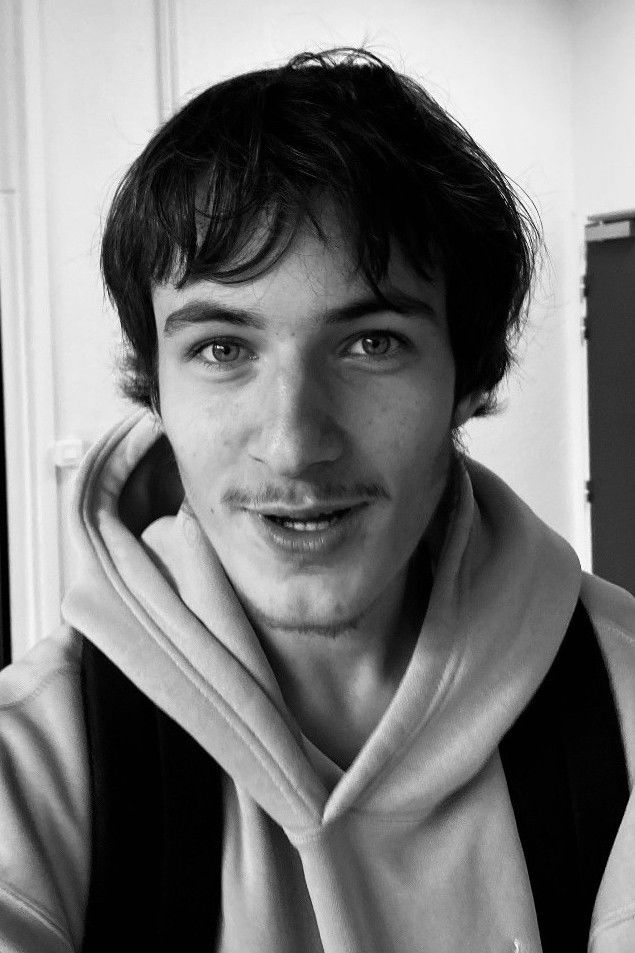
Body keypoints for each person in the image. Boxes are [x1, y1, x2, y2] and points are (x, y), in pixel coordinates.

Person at [0, 47, 633, 953]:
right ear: (156, 387)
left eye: (371, 343)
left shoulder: (619, 707)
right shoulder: (39, 765)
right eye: (222, 348)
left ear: (467, 377)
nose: (294, 443)